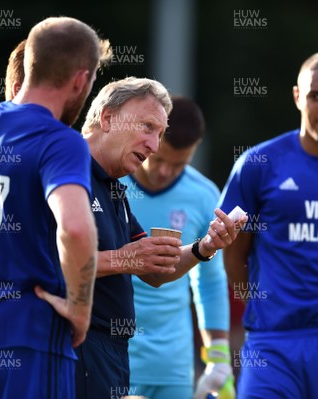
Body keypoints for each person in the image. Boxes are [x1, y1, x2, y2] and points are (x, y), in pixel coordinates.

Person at [0, 16, 111, 398]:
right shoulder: (60, 140)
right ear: (81, 80)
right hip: (30, 339)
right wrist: (79, 308)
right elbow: (75, 228)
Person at [77, 77, 247, 399]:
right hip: (76, 347)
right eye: (147, 127)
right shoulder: (65, 171)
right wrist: (126, 258)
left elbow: (155, 270)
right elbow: (41, 262)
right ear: (108, 118)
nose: (154, 147)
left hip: (120, 357)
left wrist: (202, 248)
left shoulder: (114, 187)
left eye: (159, 134)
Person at [218, 51, 318, 398]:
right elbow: (234, 251)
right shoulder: (258, 163)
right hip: (271, 341)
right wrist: (261, 305)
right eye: (316, 96)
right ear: (297, 96)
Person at [122, 96, 235, 399]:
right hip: (113, 355)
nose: (164, 172)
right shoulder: (109, 183)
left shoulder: (203, 194)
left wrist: (219, 357)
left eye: (179, 164)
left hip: (173, 364)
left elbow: (209, 281)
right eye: (159, 159)